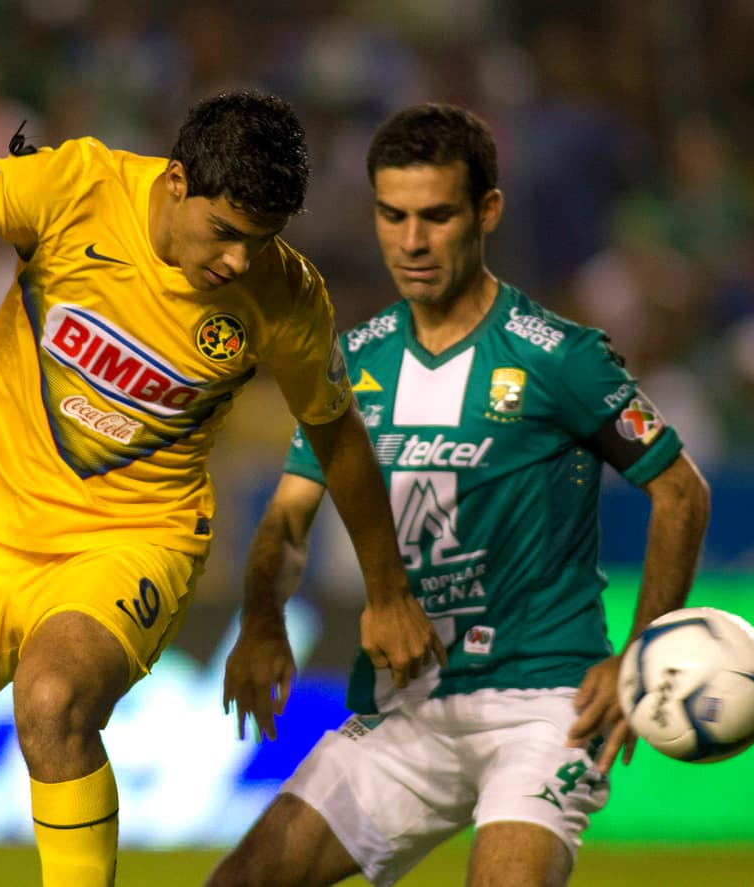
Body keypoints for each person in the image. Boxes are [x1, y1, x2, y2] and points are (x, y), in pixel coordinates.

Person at [0, 91, 446, 887]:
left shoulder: (284, 295)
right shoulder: (75, 189)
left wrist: (386, 591)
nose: (240, 261)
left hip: (133, 539)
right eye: (226, 233)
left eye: (261, 240)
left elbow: (338, 436)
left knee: (54, 697)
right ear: (176, 183)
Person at [207, 103, 711, 887]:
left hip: (544, 703)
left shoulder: (559, 357)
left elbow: (681, 491)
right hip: (406, 712)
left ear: (488, 211)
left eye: (437, 216)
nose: (411, 241)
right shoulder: (353, 364)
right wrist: (265, 616)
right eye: (393, 215)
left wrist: (642, 653)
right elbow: (286, 519)